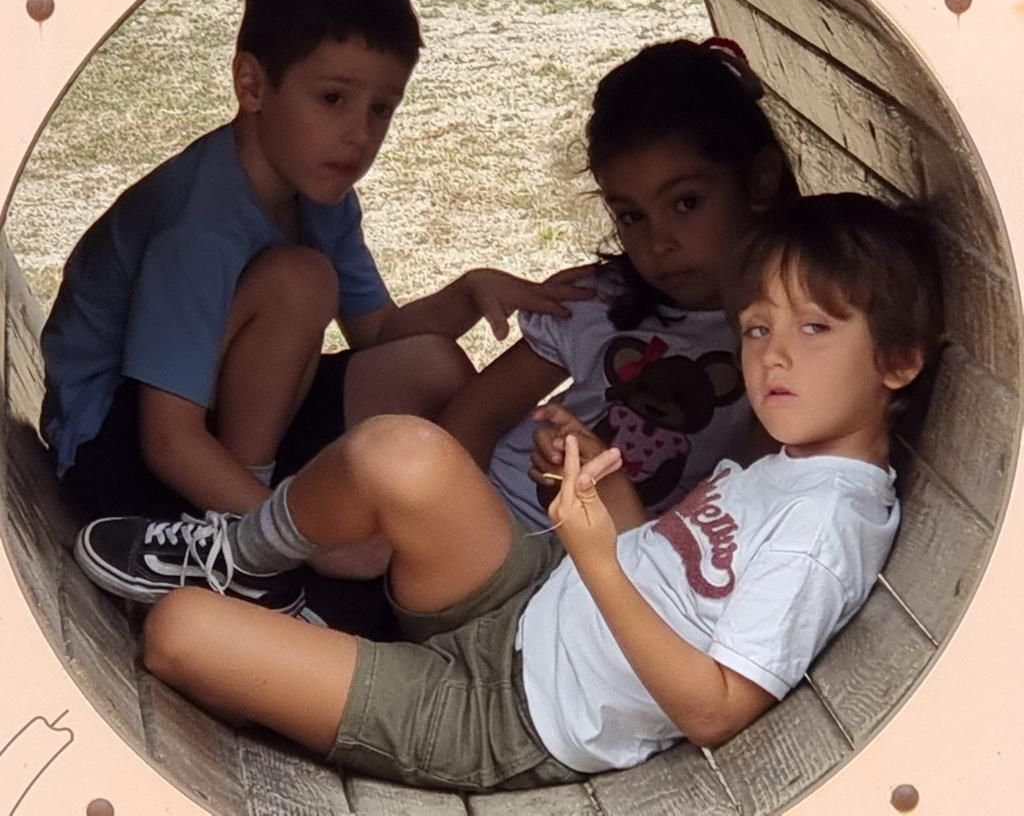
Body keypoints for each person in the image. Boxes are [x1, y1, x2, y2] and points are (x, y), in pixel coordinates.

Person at [73, 191, 944, 789]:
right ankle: (246, 556)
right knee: (402, 452)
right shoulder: (792, 467)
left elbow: (715, 710)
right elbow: (662, 567)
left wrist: (596, 557)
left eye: (815, 328)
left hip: (505, 717)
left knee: (178, 632)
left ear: (899, 361)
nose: (773, 355)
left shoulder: (826, 527)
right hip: (528, 592)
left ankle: (285, 622)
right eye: (757, 327)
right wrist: (600, 480)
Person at [40, 0, 589, 537]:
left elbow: (378, 336)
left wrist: (467, 293)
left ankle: (433, 529)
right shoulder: (199, 224)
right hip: (115, 455)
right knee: (301, 281)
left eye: (381, 109)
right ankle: (240, 546)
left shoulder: (321, 198)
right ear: (251, 85)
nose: (358, 135)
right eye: (333, 99)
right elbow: (167, 439)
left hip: (220, 420)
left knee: (433, 367)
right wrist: (294, 543)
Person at [442, 37, 798, 530]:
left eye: (686, 203)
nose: (659, 242)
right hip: (496, 519)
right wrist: (448, 523)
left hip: (619, 568)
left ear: (759, 181)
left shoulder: (790, 338)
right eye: (631, 215)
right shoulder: (598, 303)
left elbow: (748, 489)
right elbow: (472, 419)